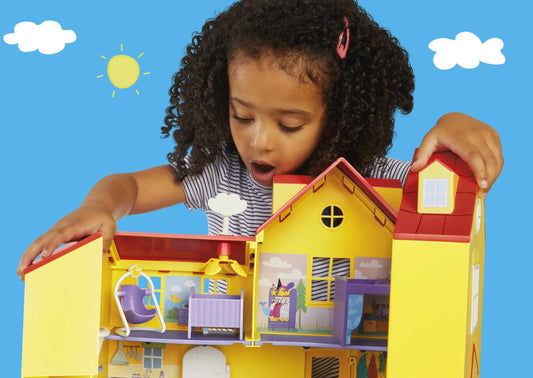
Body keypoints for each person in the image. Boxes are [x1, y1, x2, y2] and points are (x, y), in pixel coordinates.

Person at [17, 0, 503, 279]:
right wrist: (99, 206)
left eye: (289, 125)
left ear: (339, 118)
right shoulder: (221, 173)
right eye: (242, 115)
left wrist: (453, 125)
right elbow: (130, 186)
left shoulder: (370, 180)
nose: (259, 141)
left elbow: (446, 198)